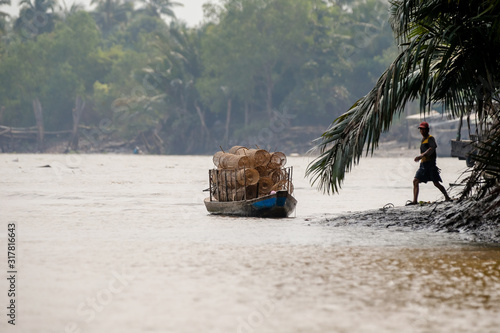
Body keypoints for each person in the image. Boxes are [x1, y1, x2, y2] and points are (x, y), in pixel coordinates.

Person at [409, 121, 452, 205]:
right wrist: (421, 157)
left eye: (423, 129)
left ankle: (447, 197)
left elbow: (432, 149)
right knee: (415, 181)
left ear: (427, 130)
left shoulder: (430, 138)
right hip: (423, 165)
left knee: (436, 183)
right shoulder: (423, 140)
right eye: (421, 129)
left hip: (430, 165)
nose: (422, 131)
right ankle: (414, 201)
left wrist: (421, 156)